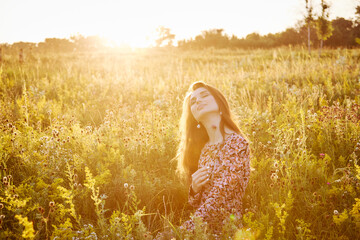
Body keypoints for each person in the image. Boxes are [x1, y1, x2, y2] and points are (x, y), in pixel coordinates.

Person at [175, 81, 251, 238]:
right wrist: (194, 189)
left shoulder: (236, 143)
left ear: (219, 102)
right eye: (193, 102)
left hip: (224, 230)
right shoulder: (204, 149)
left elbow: (218, 200)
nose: (198, 101)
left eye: (204, 95)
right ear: (194, 116)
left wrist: (179, 233)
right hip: (201, 228)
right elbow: (199, 203)